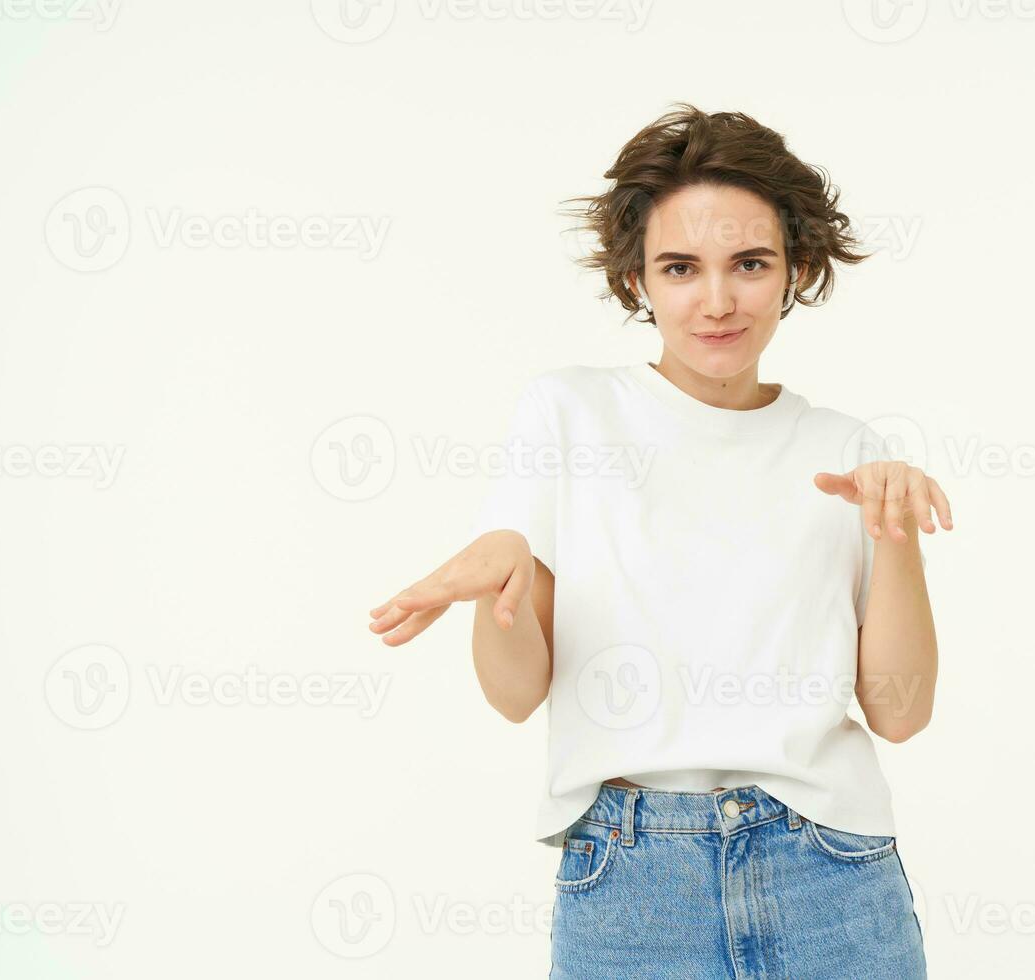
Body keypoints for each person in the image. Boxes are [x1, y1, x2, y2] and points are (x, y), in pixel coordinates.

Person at [367, 103, 951, 979]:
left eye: (749, 264)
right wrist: (504, 587)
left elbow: (900, 714)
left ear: (796, 269)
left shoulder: (845, 450)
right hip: (632, 882)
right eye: (681, 267)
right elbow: (515, 694)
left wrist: (895, 533)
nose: (717, 301)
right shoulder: (568, 414)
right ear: (637, 280)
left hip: (831, 873)